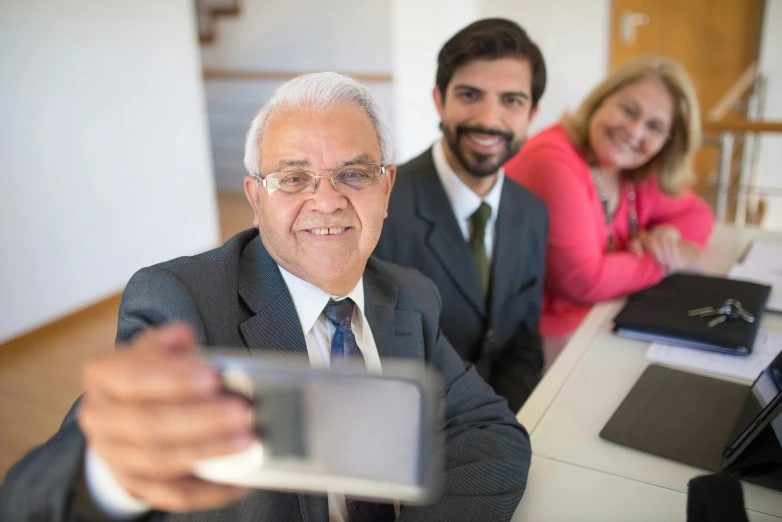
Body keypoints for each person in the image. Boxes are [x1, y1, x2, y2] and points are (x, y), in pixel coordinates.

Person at [0, 73, 532, 521]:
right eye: (294, 177)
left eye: (354, 173)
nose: (326, 200)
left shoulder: (410, 297)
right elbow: (31, 505)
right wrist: (110, 474)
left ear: (386, 189)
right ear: (256, 198)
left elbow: (491, 432)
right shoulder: (181, 303)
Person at [373, 19, 548, 412]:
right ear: (440, 100)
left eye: (511, 101)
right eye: (470, 94)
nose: (489, 119)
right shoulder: (380, 210)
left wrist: (504, 422)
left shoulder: (532, 212)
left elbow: (523, 340)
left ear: (532, 113)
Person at [504, 55, 715, 365]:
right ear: (601, 100)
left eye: (654, 126)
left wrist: (666, 235)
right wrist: (669, 260)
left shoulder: (633, 168)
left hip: (603, 321)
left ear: (667, 143)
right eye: (628, 110)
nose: (634, 131)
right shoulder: (552, 158)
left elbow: (698, 214)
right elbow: (583, 280)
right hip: (536, 347)